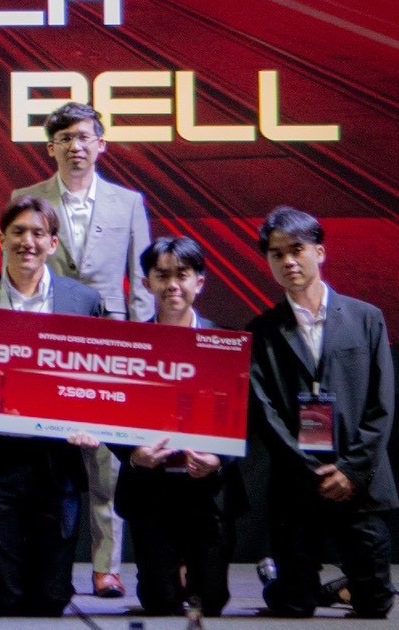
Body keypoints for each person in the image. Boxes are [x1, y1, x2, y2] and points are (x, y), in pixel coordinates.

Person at [11, 101, 152, 598]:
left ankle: (105, 567)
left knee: (106, 463)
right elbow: (16, 275)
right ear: (50, 148)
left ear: (101, 144)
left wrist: (140, 346)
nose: (75, 146)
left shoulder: (128, 202)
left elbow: (141, 283)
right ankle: (43, 566)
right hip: (46, 344)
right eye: (65, 138)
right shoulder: (26, 198)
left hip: (110, 345)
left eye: (84, 137)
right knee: (46, 461)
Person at [0, 197, 104, 617]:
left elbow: (97, 377)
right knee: (0, 601)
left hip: (58, 457)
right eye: (18, 232)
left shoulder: (84, 302)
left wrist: (92, 422)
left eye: (38, 233)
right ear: (2, 239)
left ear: (53, 243)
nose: (28, 242)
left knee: (52, 600)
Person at [248, 207, 396, 619]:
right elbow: (265, 414)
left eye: (297, 249)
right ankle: (282, 580)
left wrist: (349, 470)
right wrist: (310, 471)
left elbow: (382, 405)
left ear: (320, 252)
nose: (288, 261)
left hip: (359, 480)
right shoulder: (261, 331)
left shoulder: (366, 318)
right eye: (277, 254)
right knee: (294, 605)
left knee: (375, 605)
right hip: (298, 483)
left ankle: (337, 588)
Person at [114, 237, 242, 617]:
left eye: (182, 275)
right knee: (161, 602)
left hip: (206, 489)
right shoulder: (129, 344)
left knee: (211, 603)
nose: (172, 284)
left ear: (199, 282)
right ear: (146, 283)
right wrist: (133, 455)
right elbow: (110, 413)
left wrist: (218, 459)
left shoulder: (226, 343)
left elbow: (245, 417)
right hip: (151, 489)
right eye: (162, 275)